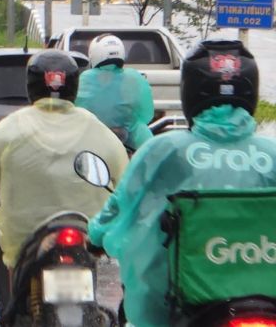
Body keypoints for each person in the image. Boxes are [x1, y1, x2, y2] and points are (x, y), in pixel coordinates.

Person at [88, 40, 276, 327]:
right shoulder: (270, 153)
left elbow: (121, 204)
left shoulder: (165, 150)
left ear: (190, 90)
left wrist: (96, 237)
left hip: (180, 308)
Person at [0, 49, 129, 296]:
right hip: (85, 235)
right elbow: (124, 181)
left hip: (25, 239)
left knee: (5, 254)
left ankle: (10, 309)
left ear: (31, 86)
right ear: (74, 86)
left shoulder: (12, 125)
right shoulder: (96, 127)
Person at [75, 34, 154, 151]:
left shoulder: (85, 78)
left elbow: (76, 113)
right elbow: (147, 114)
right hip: (132, 143)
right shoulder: (134, 77)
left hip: (93, 145)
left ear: (94, 55)